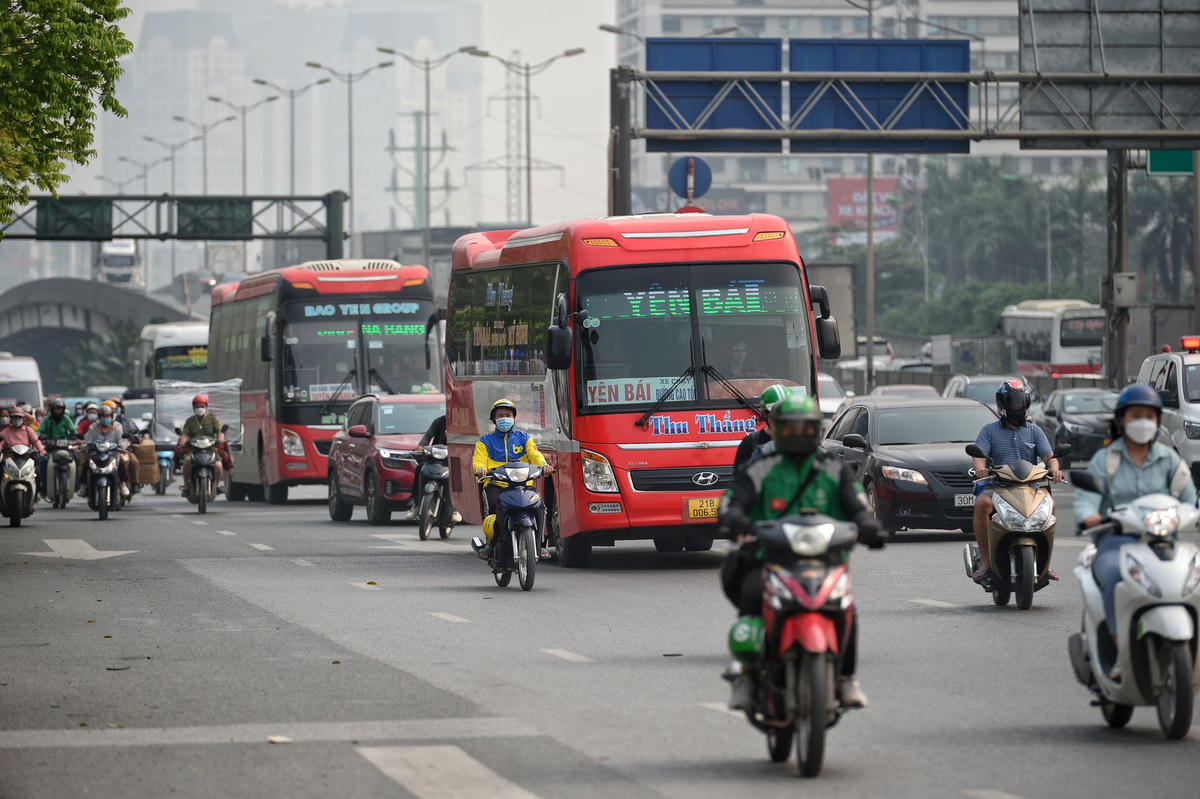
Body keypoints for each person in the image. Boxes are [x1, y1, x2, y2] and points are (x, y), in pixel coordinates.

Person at [718, 394, 885, 710]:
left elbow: (858, 504)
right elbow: (733, 499)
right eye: (790, 428)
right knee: (752, 596)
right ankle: (746, 671)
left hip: (827, 560)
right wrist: (735, 518)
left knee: (846, 609)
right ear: (777, 430)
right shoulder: (761, 467)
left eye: (805, 428)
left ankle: (847, 678)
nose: (798, 435)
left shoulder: (833, 469)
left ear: (816, 431)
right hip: (770, 558)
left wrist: (868, 525)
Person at [1074, 384, 1196, 678]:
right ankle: (1118, 650)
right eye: (1135, 415)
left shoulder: (1168, 459)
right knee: (1114, 576)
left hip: (1164, 541)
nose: (1142, 421)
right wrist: (1089, 517)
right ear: (1122, 420)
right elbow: (1086, 501)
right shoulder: (1106, 460)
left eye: (1149, 416)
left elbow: (1189, 498)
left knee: (1194, 576)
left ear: (1156, 421)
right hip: (1117, 542)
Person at [969, 379, 1062, 582]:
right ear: (1002, 404)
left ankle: (1045, 564)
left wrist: (1055, 470)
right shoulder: (989, 431)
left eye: (1020, 402)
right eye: (1012, 402)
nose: (1016, 406)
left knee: (1051, 506)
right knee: (982, 504)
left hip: (1030, 487)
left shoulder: (1034, 431)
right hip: (997, 486)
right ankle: (986, 561)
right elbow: (979, 457)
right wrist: (980, 470)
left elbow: (1050, 458)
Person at [471, 399, 552, 559]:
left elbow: (536, 456)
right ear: (494, 420)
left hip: (523, 485)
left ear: (514, 417)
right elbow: (479, 460)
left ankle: (539, 544)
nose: (504, 418)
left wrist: (544, 466)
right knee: (495, 511)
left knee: (539, 506)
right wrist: (480, 469)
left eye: (508, 415)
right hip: (496, 484)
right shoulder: (485, 441)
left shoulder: (524, 438)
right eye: (500, 416)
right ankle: (490, 544)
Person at [733, 384, 791, 471]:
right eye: (775, 414)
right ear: (764, 413)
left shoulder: (803, 442)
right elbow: (740, 481)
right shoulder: (750, 443)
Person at [416, 413, 461, 525]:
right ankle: (415, 504)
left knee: (458, 473)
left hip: (453, 459)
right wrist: (421, 446)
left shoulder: (463, 423)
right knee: (419, 468)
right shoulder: (439, 421)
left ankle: (455, 508)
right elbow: (428, 436)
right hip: (435, 458)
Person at [177, 394, 224, 497]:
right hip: (194, 450)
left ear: (206, 407)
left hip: (211, 449)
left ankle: (217, 485)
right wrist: (182, 442)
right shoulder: (189, 421)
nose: (200, 408)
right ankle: (186, 487)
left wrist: (220, 439)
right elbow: (185, 435)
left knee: (219, 465)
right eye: (197, 406)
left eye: (202, 406)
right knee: (187, 461)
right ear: (194, 408)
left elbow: (219, 432)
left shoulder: (212, 419)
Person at [84, 404, 131, 498]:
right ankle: (83, 485)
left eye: (107, 416)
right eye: (103, 416)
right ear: (99, 417)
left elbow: (121, 439)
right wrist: (84, 445)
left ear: (111, 417)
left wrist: (123, 446)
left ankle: (123, 484)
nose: (105, 418)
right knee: (86, 464)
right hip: (96, 454)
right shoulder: (93, 427)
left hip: (113, 455)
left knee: (122, 463)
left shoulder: (117, 426)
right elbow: (87, 440)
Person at [37, 398, 78, 501]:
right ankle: (44, 487)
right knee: (43, 461)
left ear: (63, 409)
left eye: (60, 409)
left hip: (65, 447)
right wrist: (39, 437)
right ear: (52, 409)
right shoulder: (47, 419)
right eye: (56, 409)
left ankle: (76, 484)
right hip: (51, 447)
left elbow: (73, 430)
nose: (58, 411)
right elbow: (39, 431)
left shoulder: (66, 419)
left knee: (77, 458)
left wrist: (75, 438)